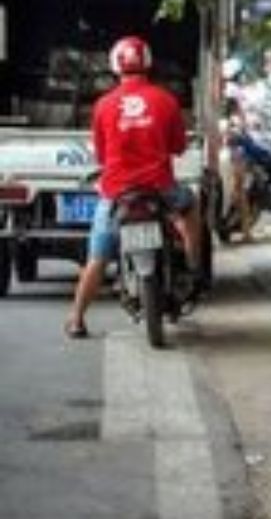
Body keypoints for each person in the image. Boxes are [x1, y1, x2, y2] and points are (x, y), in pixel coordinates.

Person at [65, 36, 203, 338]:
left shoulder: (103, 105)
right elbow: (179, 147)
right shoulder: (166, 100)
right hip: (160, 189)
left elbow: (102, 156)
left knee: (98, 258)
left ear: (115, 66)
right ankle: (194, 267)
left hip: (117, 193)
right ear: (148, 63)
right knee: (190, 206)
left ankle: (76, 319)